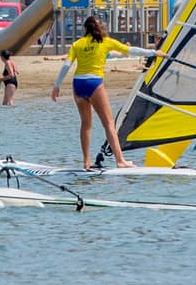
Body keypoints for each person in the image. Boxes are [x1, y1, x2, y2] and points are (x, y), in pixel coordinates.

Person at [50, 14, 148, 170]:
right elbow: (130, 50)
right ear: (100, 27)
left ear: (85, 29)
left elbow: (66, 65)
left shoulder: (77, 44)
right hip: (94, 83)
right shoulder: (106, 41)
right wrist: (154, 52)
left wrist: (56, 86)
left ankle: (86, 162)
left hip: (78, 85)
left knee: (85, 124)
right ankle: (120, 161)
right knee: (109, 123)